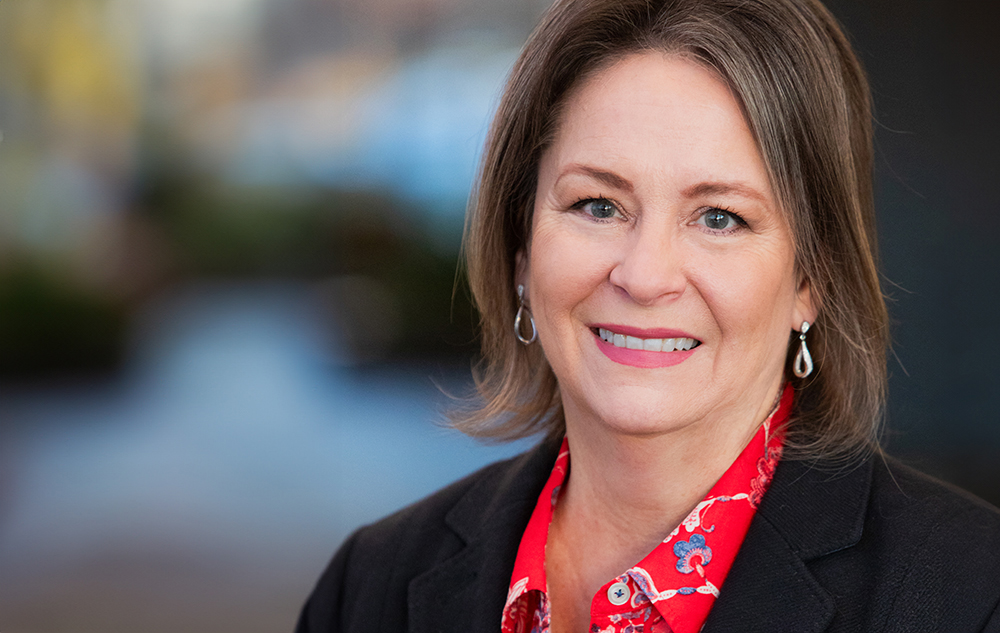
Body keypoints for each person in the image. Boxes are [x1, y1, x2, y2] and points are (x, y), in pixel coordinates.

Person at [297, 0, 1000, 631]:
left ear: (810, 278)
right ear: (520, 249)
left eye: (719, 217)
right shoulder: (370, 587)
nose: (644, 276)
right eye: (597, 205)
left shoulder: (971, 597)